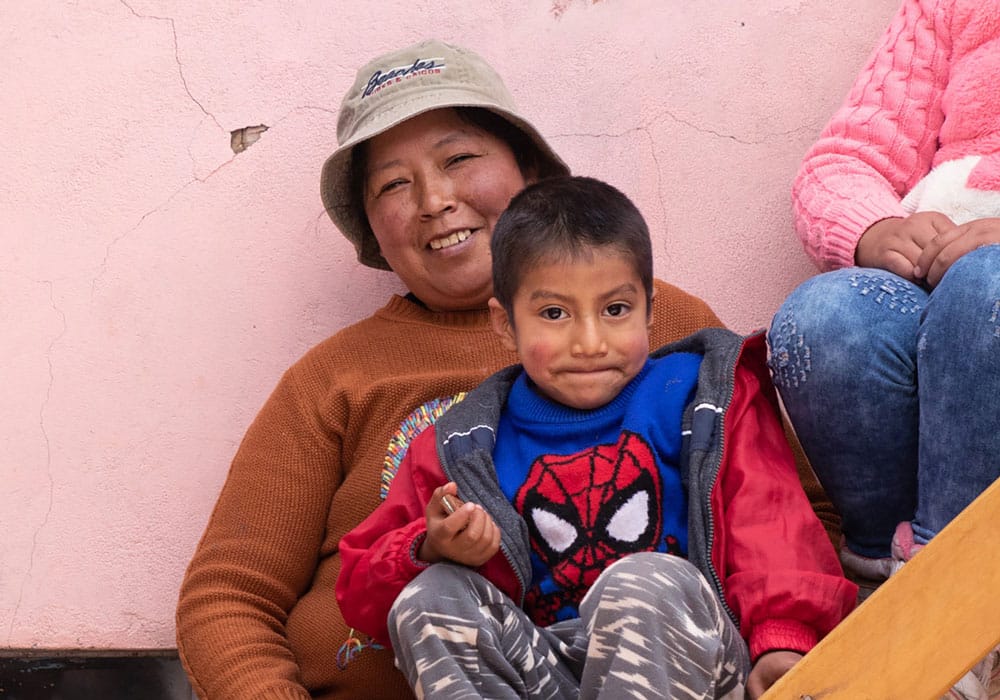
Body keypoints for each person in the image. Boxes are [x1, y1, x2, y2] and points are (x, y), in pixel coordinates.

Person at [175, 40, 730, 700]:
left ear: (526, 169)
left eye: (459, 157)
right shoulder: (332, 380)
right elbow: (228, 598)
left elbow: (791, 513)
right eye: (393, 184)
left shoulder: (662, 331)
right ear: (373, 230)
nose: (434, 199)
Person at [337, 176, 856, 699]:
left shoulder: (699, 397)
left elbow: (771, 523)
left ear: (649, 309)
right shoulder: (465, 445)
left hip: (694, 660)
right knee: (429, 598)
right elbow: (361, 592)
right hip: (550, 672)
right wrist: (427, 546)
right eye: (554, 314)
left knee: (642, 582)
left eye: (615, 310)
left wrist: (782, 640)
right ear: (505, 323)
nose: (589, 342)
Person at [769, 1, 1000, 695]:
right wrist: (875, 229)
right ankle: (879, 575)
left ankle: (951, 625)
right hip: (931, 282)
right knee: (823, 317)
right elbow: (844, 160)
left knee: (988, 288)